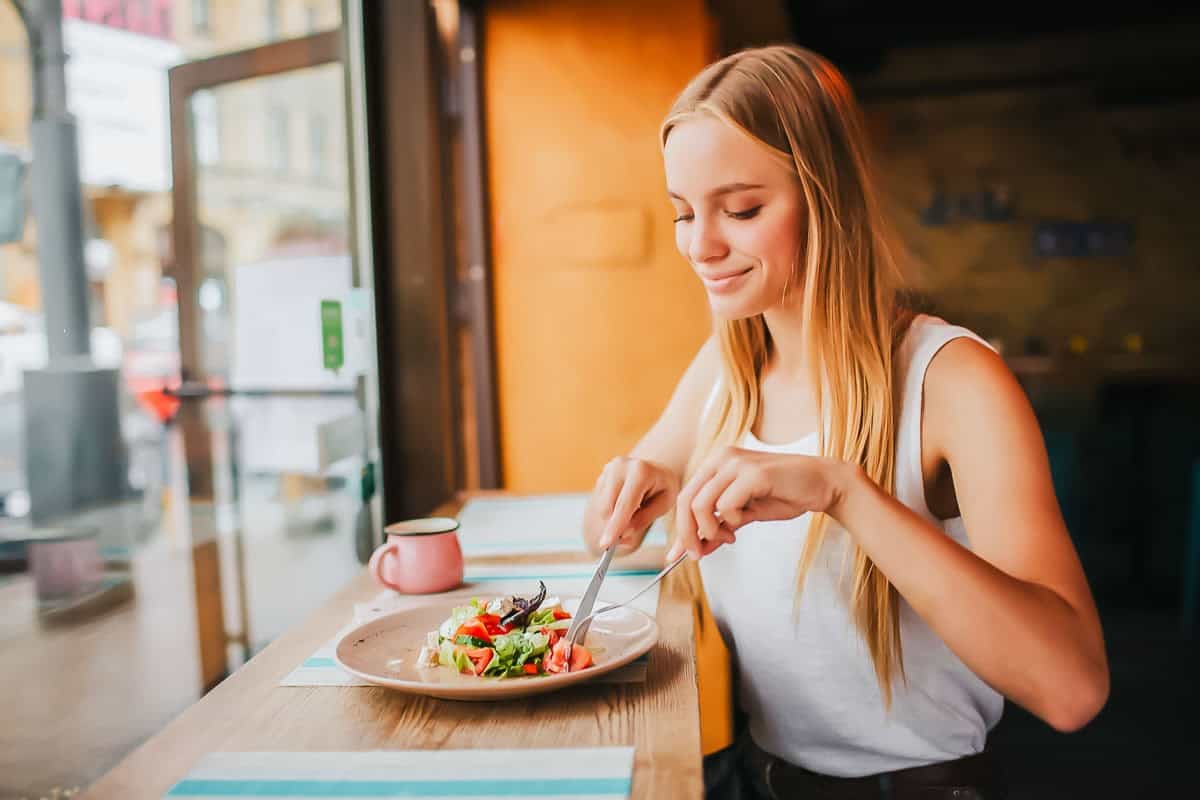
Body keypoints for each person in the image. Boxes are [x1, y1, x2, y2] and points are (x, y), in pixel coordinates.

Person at [581, 44, 1108, 799]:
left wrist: (845, 493)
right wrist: (631, 490)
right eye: (683, 213)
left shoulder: (953, 381)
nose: (701, 246)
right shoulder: (728, 366)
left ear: (828, 197)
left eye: (742, 210)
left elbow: (1072, 688)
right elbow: (612, 535)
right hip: (757, 779)